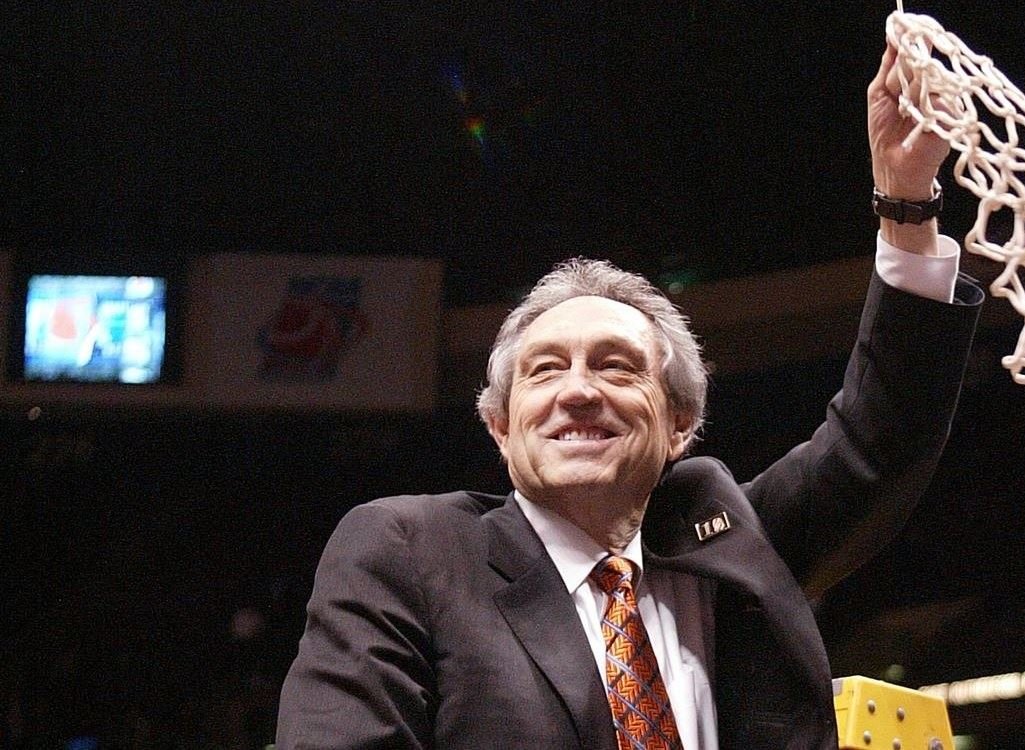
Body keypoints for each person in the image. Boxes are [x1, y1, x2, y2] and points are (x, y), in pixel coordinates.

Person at [276, 30, 983, 750]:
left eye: (615, 366)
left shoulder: (732, 544)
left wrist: (905, 203)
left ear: (679, 424)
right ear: (500, 427)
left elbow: (880, 440)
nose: (578, 390)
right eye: (545, 370)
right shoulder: (411, 552)